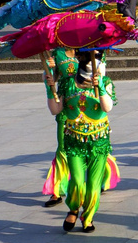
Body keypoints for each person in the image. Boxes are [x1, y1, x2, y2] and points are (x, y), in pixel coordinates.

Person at [45, 50, 116, 233]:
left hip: (98, 142)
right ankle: (74, 208)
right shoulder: (68, 83)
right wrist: (49, 88)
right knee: (76, 180)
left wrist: (99, 85)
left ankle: (88, 217)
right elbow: (56, 109)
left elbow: (107, 107)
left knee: (93, 185)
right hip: (74, 141)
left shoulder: (105, 82)